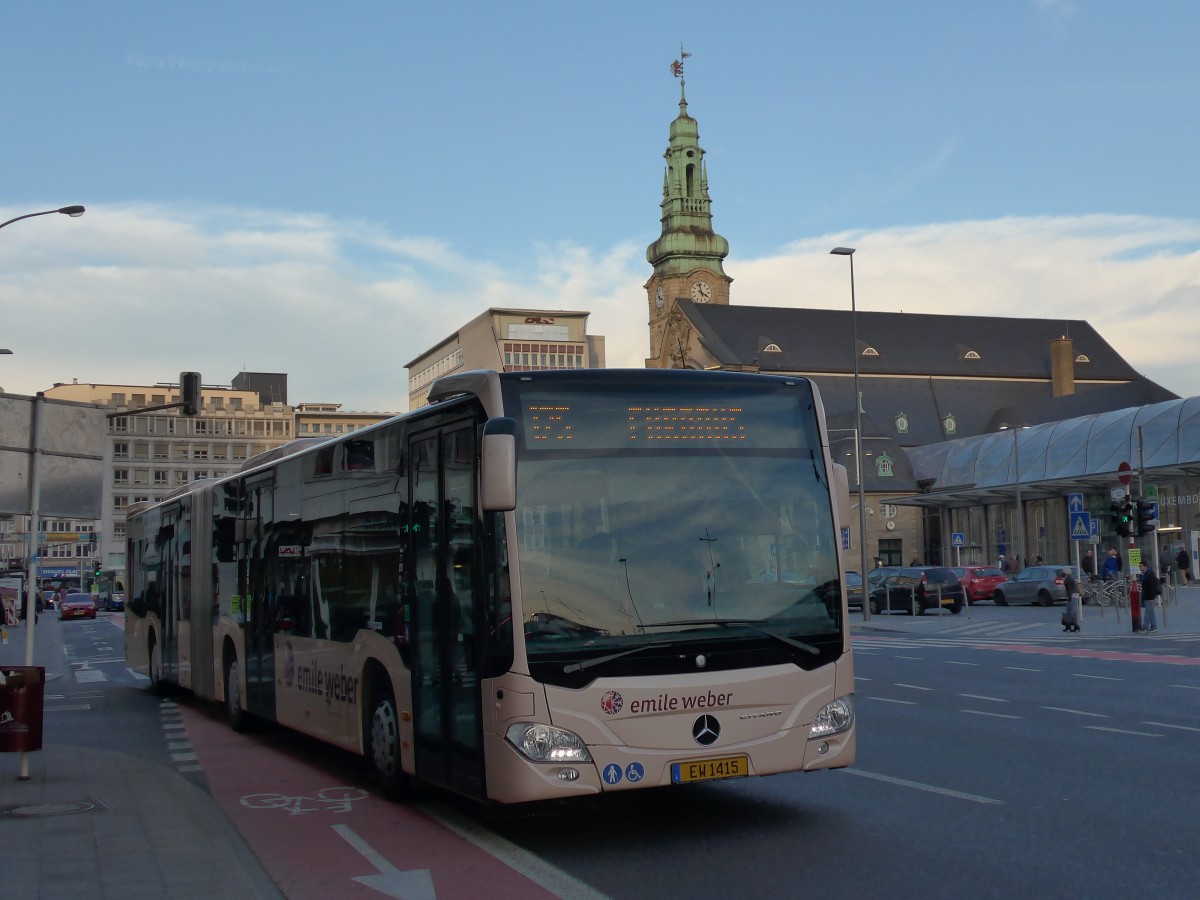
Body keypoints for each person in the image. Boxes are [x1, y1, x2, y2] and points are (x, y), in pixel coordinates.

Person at [1138, 561, 1161, 633]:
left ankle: (1145, 627)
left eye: (1141, 566)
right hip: (1147, 595)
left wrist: (1151, 597)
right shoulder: (1145, 574)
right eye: (1139, 566)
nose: (1140, 568)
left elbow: (1152, 587)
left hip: (1149, 596)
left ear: (1145, 566)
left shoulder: (1149, 575)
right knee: (1151, 611)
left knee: (1147, 613)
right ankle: (1154, 626)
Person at [1061, 566, 1082, 632]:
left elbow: (1069, 589)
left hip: (1072, 596)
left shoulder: (1069, 580)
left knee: (1071, 612)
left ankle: (1075, 626)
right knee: (1071, 611)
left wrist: (1069, 598)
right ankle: (1070, 625)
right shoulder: (1071, 578)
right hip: (1074, 596)